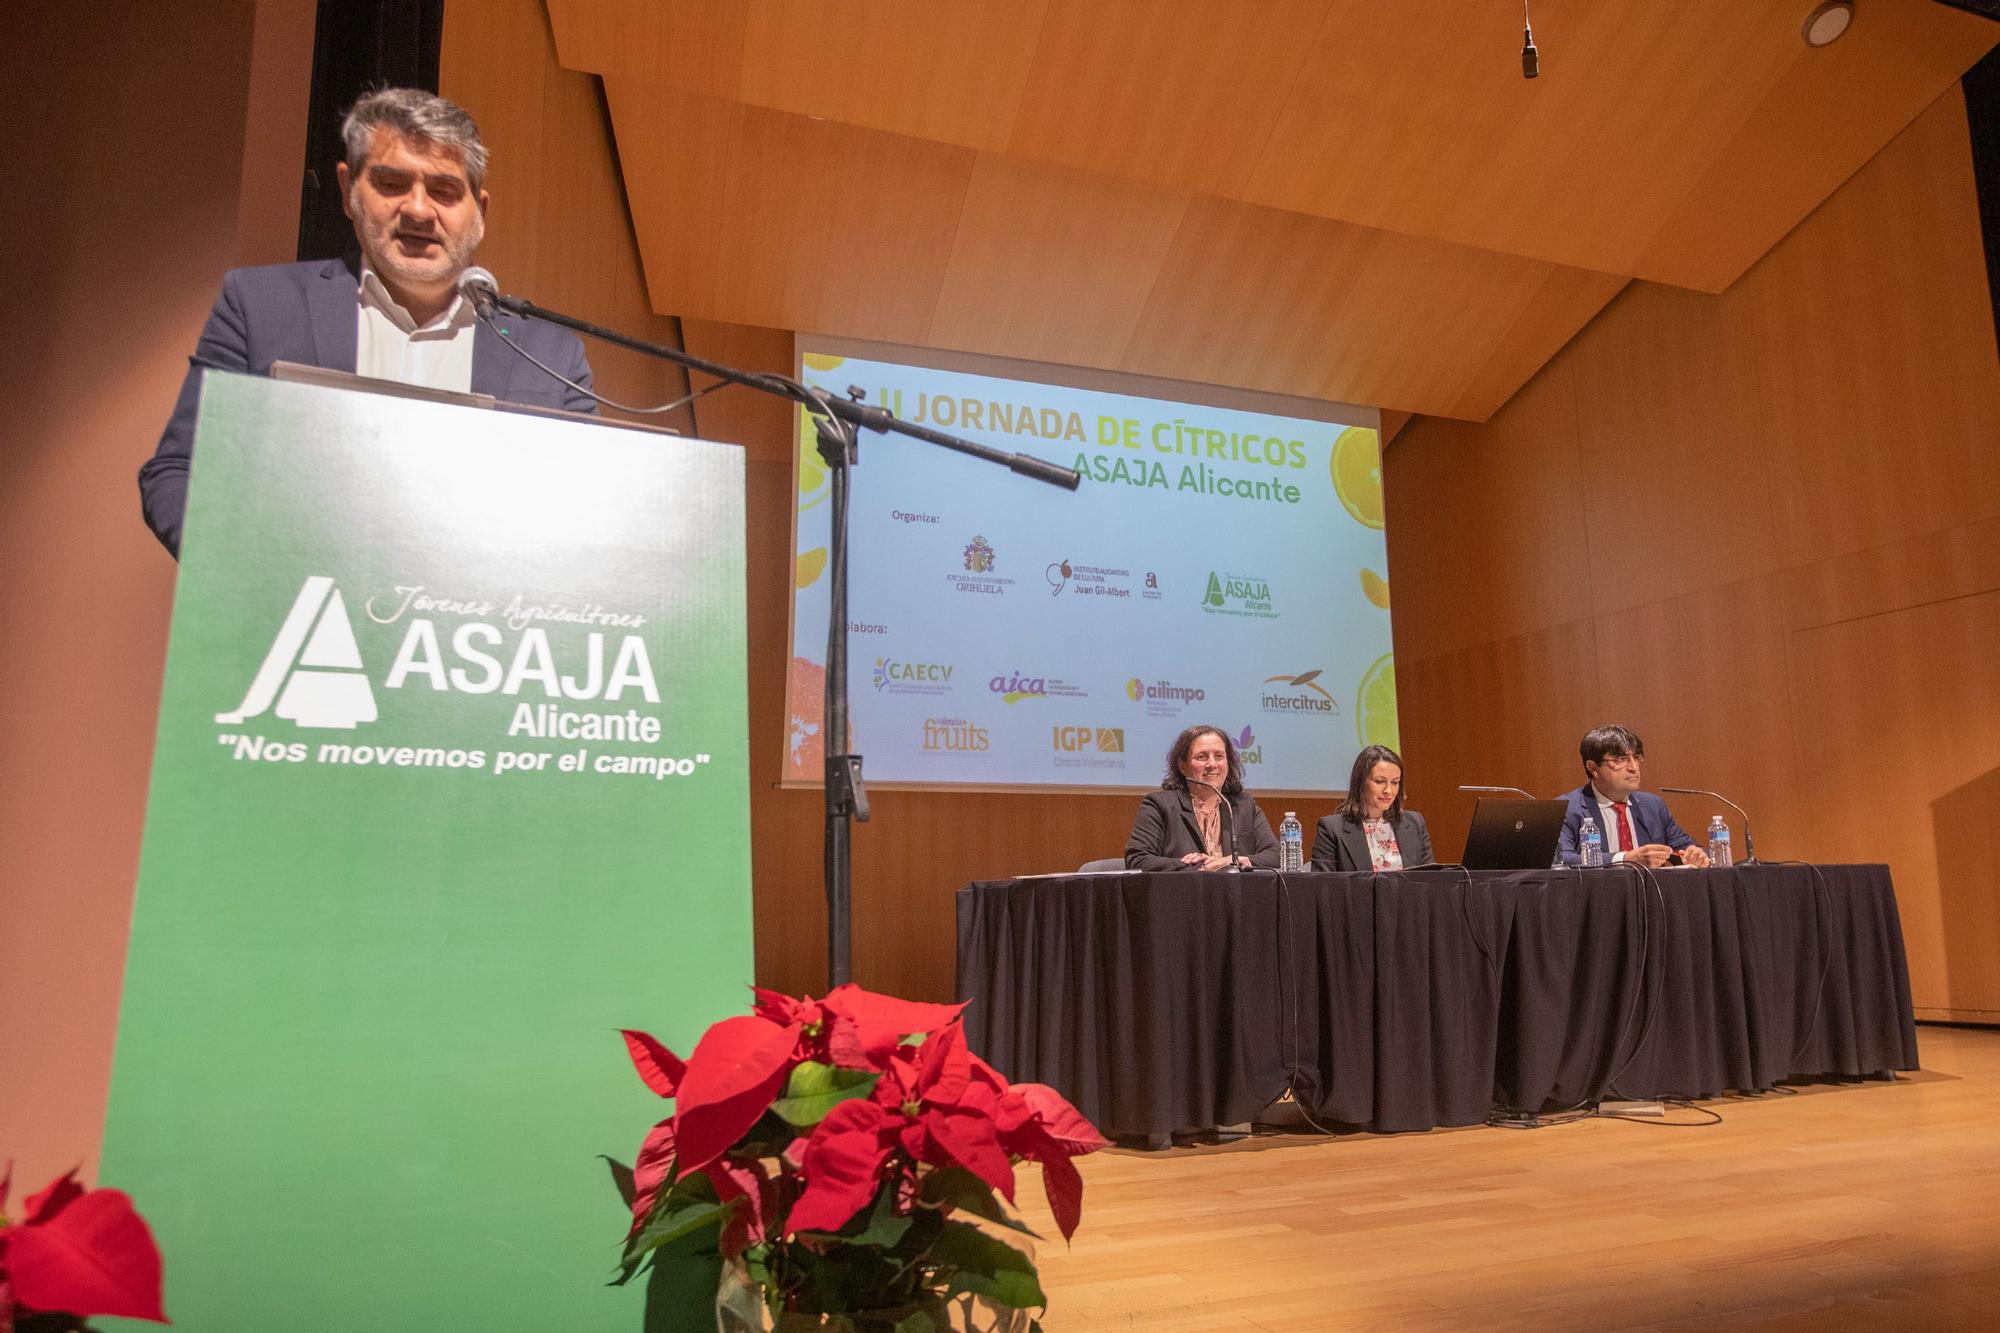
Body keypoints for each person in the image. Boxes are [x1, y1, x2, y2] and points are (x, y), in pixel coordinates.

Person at [139, 88, 597, 557]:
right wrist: (252, 573)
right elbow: (179, 472)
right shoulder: (260, 308)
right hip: (293, 615)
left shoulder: (551, 354)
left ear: (480, 210)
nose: (419, 210)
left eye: (444, 190)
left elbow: (587, 510)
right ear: (347, 190)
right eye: (392, 183)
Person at [1125, 725, 1280, 871]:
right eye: (1202, 757)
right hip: (1184, 895)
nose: (1212, 764)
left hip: (1236, 895)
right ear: (1182, 765)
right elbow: (1137, 859)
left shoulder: (1244, 805)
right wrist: (1197, 866)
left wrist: (1235, 861)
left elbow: (1277, 855)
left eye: (1219, 756)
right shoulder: (1159, 805)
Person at [1557, 724, 1710, 867]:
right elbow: (1562, 859)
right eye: (1621, 759)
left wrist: (1697, 855)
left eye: (1636, 757)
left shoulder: (1653, 805)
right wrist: (1625, 858)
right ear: (1593, 768)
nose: (1633, 767)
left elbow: (1687, 848)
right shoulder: (1568, 808)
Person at [1312, 743, 1433, 871]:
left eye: (1395, 782)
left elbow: (1430, 880)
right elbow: (1323, 886)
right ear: (1361, 782)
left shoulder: (1415, 822)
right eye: (1379, 781)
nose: (1388, 790)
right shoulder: (1331, 829)